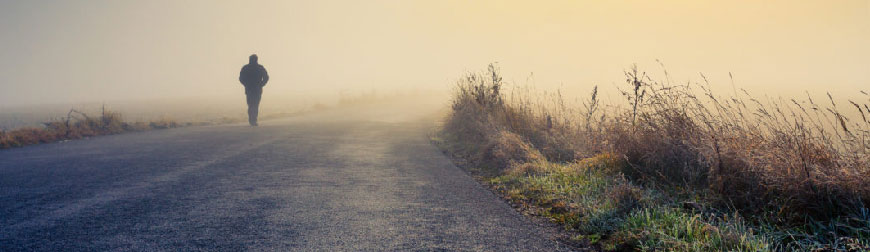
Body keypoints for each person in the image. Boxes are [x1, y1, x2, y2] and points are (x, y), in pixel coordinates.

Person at [238, 54, 269, 126]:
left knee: (251, 105)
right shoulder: (259, 68)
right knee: (254, 105)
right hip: (256, 89)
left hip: (251, 89)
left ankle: (252, 120)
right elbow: (266, 77)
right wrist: (261, 84)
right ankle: (253, 120)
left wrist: (246, 84)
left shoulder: (246, 68)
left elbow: (241, 78)